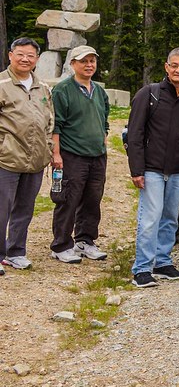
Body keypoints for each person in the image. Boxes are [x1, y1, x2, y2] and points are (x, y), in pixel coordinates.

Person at [126, 48, 179, 287]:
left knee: (170, 218)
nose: (178, 70)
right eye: (174, 65)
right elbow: (134, 133)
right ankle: (142, 267)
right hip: (152, 168)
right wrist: (137, 169)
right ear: (166, 67)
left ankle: (163, 261)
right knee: (150, 217)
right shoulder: (149, 94)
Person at [49, 46, 109, 265]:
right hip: (71, 155)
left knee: (93, 200)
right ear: (73, 63)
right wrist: (56, 154)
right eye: (84, 61)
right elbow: (56, 126)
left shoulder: (99, 91)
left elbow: (104, 122)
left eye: (92, 61)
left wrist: (102, 144)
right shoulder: (63, 90)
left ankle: (85, 241)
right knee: (68, 199)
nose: (89, 65)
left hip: (97, 156)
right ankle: (61, 245)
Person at [0, 38, 54, 274]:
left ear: (37, 59)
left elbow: (49, 121)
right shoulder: (1, 83)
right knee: (2, 208)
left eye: (30, 56)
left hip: (35, 160)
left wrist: (49, 149)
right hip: (7, 158)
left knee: (24, 208)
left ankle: (16, 252)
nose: (25, 59)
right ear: (10, 55)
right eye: (20, 54)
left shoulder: (42, 87)